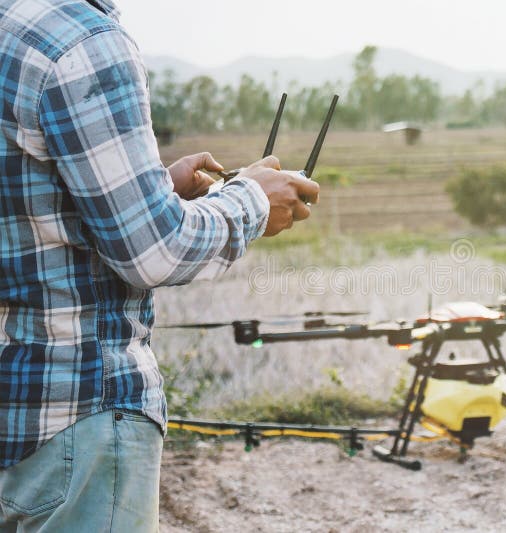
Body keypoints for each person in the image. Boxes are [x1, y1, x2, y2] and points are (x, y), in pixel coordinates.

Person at [0, 0, 319, 530]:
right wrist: (253, 202)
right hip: (84, 409)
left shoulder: (13, 27)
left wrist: (153, 190)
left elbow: (28, 214)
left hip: (19, 409)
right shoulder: (81, 40)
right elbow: (154, 252)